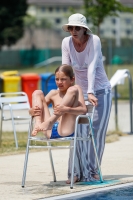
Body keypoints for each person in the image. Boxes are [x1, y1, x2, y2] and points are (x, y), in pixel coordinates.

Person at [61, 13, 112, 183]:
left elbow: (92, 66)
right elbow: (66, 69)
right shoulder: (66, 43)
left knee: (96, 132)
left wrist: (90, 91)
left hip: (100, 90)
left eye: (77, 28)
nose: (73, 31)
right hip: (80, 91)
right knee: (77, 131)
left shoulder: (94, 40)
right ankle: (75, 172)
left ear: (84, 29)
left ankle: (93, 169)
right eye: (71, 28)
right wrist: (64, 93)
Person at [29, 64, 87, 148]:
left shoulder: (76, 90)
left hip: (65, 130)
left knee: (73, 89)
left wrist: (66, 109)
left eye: (63, 79)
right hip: (49, 130)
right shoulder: (53, 93)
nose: (59, 82)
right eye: (57, 79)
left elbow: (83, 110)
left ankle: (50, 121)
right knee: (37, 92)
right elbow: (39, 106)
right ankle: (37, 124)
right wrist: (31, 111)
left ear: (72, 79)